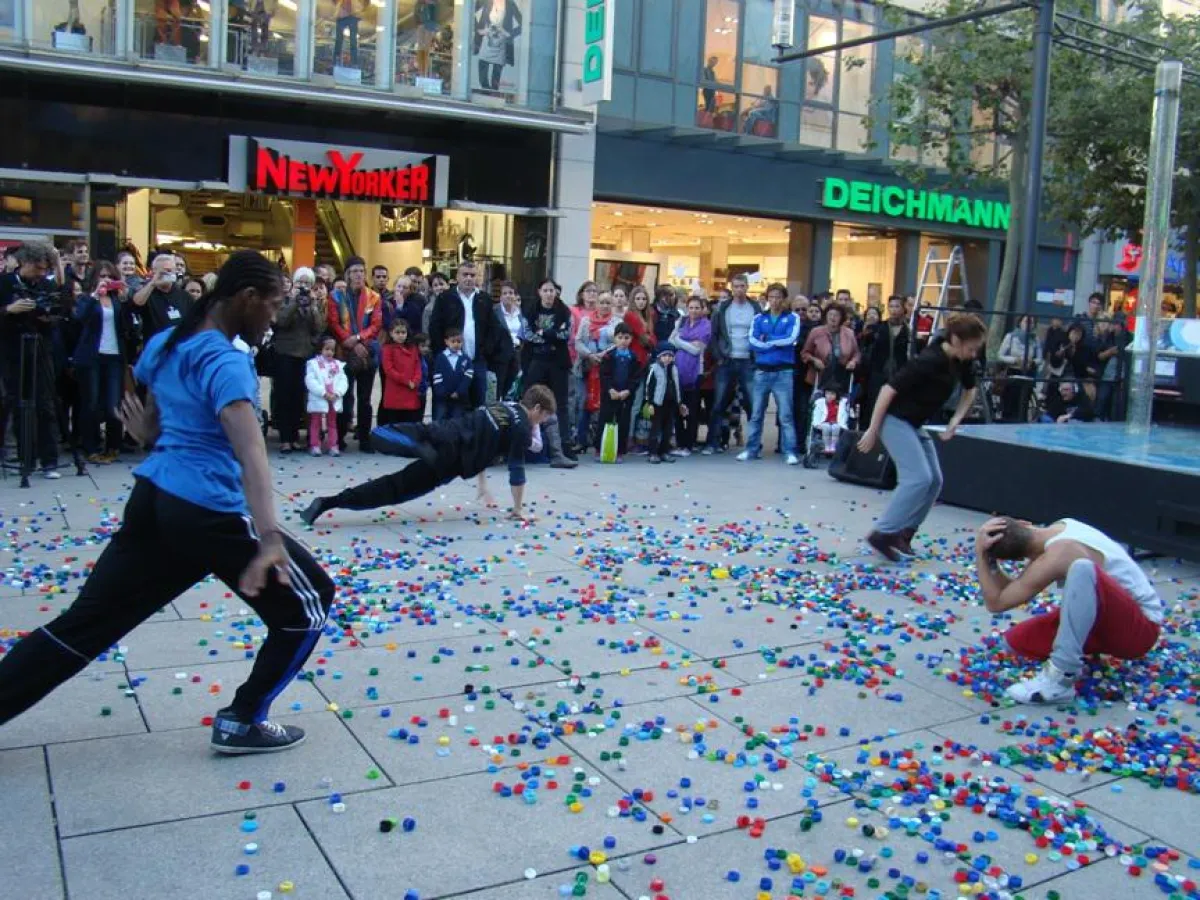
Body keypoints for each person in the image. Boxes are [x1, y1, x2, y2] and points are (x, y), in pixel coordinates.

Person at [0, 251, 335, 753]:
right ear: (245, 299)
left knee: (86, 624)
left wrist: (146, 433)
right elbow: (250, 451)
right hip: (206, 513)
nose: (272, 315)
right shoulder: (226, 361)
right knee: (310, 605)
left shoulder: (167, 343)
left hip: (154, 499)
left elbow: (153, 424)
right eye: (272, 304)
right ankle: (243, 719)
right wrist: (268, 538)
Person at [300, 385, 555, 526]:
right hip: (449, 461)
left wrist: (482, 483)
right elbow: (517, 472)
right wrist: (518, 509)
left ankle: (326, 502)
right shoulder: (522, 427)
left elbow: (484, 437)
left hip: (441, 432)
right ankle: (329, 502)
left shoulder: (502, 404)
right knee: (395, 489)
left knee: (382, 434)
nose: (540, 424)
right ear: (536, 408)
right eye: (543, 418)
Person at [976, 516, 1164, 704]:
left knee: (1082, 568)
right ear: (1024, 523)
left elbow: (996, 603)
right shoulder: (1063, 526)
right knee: (1014, 641)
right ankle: (1087, 650)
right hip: (1106, 618)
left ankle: (1060, 678)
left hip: (1140, 628)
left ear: (1018, 558)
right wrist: (992, 563)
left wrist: (981, 554)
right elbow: (1012, 591)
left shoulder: (1060, 553)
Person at [858, 312, 986, 562]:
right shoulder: (929, 360)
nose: (974, 354)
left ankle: (904, 534)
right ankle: (883, 532)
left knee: (934, 480)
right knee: (917, 478)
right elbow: (887, 390)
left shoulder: (962, 361)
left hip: (914, 423)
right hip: (894, 420)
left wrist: (955, 420)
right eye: (971, 348)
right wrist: (872, 430)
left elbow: (970, 391)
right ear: (957, 340)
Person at [0, 241, 63, 478]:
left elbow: (61, 306)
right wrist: (9, 310)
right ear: (24, 263)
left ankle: (50, 461)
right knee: (19, 404)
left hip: (40, 348)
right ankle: (27, 458)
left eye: (45, 269)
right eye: (38, 268)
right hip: (12, 352)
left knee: (45, 404)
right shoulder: (4, 283)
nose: (42, 273)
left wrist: (48, 315)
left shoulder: (45, 285)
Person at [741, 282, 801, 465]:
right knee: (757, 413)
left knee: (786, 414)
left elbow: (791, 339)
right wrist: (775, 343)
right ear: (767, 298)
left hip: (783, 372)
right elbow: (752, 340)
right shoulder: (759, 318)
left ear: (784, 299)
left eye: (778, 297)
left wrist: (767, 340)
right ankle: (751, 449)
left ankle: (790, 451)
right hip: (762, 371)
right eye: (771, 297)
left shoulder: (793, 317)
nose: (774, 301)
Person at [327, 257, 383, 452]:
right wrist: (348, 341)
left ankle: (365, 438)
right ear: (347, 274)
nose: (359, 275)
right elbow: (333, 323)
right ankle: (340, 436)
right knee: (345, 395)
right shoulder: (336, 296)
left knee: (365, 398)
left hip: (367, 352)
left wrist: (359, 339)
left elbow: (376, 325)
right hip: (345, 353)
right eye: (354, 271)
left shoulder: (373, 297)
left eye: (361, 271)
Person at [72, 270, 129, 464]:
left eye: (109, 276)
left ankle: (113, 445)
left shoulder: (116, 300)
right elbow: (80, 318)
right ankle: (91, 446)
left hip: (114, 356)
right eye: (101, 275)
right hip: (92, 357)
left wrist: (124, 299)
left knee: (113, 403)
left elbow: (127, 325)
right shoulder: (87, 299)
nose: (105, 279)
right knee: (91, 402)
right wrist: (95, 294)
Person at [521, 278, 577, 468]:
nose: (549, 294)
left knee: (561, 405)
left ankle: (563, 449)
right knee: (531, 402)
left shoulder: (564, 311)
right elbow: (527, 334)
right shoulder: (530, 311)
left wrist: (543, 332)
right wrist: (550, 334)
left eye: (552, 290)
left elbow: (565, 335)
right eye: (545, 290)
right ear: (539, 292)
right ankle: (526, 446)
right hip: (536, 361)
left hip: (558, 363)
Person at [703, 274, 761, 455]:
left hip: (747, 360)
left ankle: (754, 446)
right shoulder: (722, 308)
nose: (739, 290)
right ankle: (712, 442)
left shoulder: (755, 308)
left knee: (753, 405)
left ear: (747, 287)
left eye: (742, 286)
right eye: (736, 286)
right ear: (732, 287)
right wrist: (719, 356)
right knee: (719, 403)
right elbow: (714, 335)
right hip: (727, 360)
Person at [427, 259, 493, 409]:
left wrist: (486, 351)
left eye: (472, 275)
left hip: (477, 361)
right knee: (451, 406)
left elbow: (493, 329)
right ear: (457, 277)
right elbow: (435, 327)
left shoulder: (484, 299)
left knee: (478, 405)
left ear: (477, 277)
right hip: (451, 360)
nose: (468, 278)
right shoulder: (445, 298)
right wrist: (442, 353)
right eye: (465, 274)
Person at [273, 268, 326, 453]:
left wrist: (311, 305)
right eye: (300, 282)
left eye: (307, 283)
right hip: (285, 354)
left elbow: (319, 326)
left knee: (299, 397)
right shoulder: (284, 301)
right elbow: (281, 321)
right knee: (284, 396)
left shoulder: (312, 303)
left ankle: (295, 437)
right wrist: (295, 302)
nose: (303, 287)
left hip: (305, 355)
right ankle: (285, 438)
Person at [575, 289, 618, 451]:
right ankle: (581, 440)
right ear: (596, 304)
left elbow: (619, 342)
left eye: (608, 302)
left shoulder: (615, 322)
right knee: (583, 404)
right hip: (586, 367)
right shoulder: (586, 321)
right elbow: (578, 341)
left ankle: (601, 441)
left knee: (605, 405)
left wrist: (602, 354)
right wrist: (590, 355)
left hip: (607, 369)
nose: (605, 305)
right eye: (602, 302)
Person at [670, 297, 711, 455]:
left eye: (697, 308)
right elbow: (670, 340)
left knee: (692, 409)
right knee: (678, 408)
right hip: (679, 371)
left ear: (702, 309)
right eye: (691, 307)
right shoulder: (682, 322)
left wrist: (679, 341)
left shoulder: (706, 325)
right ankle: (680, 443)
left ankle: (689, 444)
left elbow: (697, 350)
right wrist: (686, 342)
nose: (693, 311)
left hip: (695, 373)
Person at [597, 323, 641, 461]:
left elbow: (635, 377)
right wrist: (610, 389)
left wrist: (628, 391)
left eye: (626, 338)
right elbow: (604, 375)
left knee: (623, 422)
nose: (623, 341)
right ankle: (600, 448)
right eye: (620, 337)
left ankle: (620, 450)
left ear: (631, 339)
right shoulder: (609, 356)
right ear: (615, 338)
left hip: (625, 396)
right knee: (605, 419)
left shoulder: (634, 357)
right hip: (610, 394)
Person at [864, 295, 909, 425]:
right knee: (874, 406)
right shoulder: (878, 328)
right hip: (878, 373)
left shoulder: (909, 330)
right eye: (891, 306)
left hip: (900, 373)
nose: (894, 310)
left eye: (897, 306)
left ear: (903, 308)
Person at [132, 254, 193, 341]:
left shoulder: (184, 296)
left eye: (170, 270)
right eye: (164, 271)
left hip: (178, 346)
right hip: (156, 346)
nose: (168, 274)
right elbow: (136, 304)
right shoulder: (148, 293)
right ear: (153, 272)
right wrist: (153, 283)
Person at [306, 336, 348, 456]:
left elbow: (343, 381)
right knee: (315, 422)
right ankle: (315, 445)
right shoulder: (313, 364)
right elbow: (310, 380)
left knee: (332, 422)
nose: (329, 352)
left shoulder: (338, 365)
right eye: (327, 349)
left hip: (333, 398)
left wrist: (337, 393)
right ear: (320, 349)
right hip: (319, 397)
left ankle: (333, 445)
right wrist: (323, 393)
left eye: (332, 350)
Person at [379, 318, 424, 426]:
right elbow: (389, 370)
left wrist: (416, 380)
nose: (400, 335)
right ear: (391, 333)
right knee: (395, 425)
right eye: (397, 332)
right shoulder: (387, 349)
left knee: (409, 425)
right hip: (395, 393)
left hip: (411, 391)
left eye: (403, 332)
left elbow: (418, 366)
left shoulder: (413, 348)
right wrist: (406, 381)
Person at [645, 344, 684, 465]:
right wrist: (650, 403)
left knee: (668, 429)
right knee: (655, 429)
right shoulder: (654, 368)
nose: (667, 358)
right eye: (664, 355)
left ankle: (664, 451)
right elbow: (649, 387)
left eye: (670, 356)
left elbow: (678, 387)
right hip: (657, 404)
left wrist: (680, 402)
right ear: (659, 357)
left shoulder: (674, 369)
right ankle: (653, 452)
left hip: (671, 403)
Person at [432, 326, 475, 421]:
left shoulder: (465, 358)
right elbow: (436, 376)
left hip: (459, 398)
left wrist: (459, 391)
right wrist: (442, 392)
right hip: (442, 398)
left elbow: (468, 376)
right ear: (446, 342)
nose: (456, 344)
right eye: (453, 341)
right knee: (440, 419)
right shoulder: (440, 357)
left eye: (459, 341)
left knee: (457, 421)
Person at [495, 281, 526, 399]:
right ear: (501, 296)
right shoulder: (495, 311)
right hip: (501, 354)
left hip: (517, 353)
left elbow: (523, 331)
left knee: (512, 386)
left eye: (511, 293)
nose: (508, 295)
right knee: (499, 386)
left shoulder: (519, 312)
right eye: (505, 293)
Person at [809, 382, 851, 457]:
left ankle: (833, 446)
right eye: (827, 393)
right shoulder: (820, 402)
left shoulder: (841, 404)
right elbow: (816, 414)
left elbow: (844, 415)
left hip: (836, 422)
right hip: (823, 422)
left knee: (835, 427)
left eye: (832, 394)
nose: (829, 396)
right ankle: (827, 445)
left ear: (836, 395)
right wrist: (816, 423)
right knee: (826, 427)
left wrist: (843, 424)